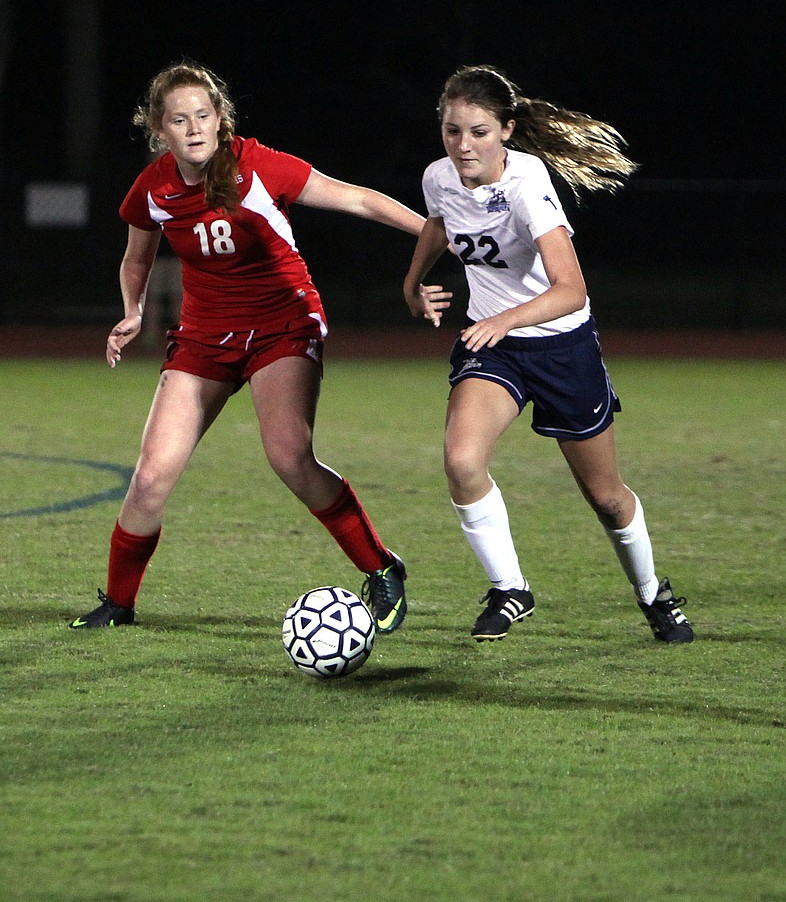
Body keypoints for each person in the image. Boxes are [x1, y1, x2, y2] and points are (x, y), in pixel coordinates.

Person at [70, 60, 425, 633]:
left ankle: (382, 569)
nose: (193, 128)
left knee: (289, 457)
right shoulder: (153, 186)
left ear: (220, 120)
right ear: (159, 129)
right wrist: (132, 313)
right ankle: (117, 605)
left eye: (203, 116)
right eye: (179, 119)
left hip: (282, 324)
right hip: (205, 336)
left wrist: (435, 232)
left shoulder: (258, 166)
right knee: (150, 478)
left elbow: (358, 200)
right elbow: (137, 257)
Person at [403, 65, 694, 644]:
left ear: (507, 130)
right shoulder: (439, 176)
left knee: (607, 498)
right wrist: (412, 284)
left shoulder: (527, 184)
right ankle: (511, 589)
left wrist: (503, 317)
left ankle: (652, 593)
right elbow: (438, 222)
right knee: (462, 461)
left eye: (479, 132)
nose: (464, 145)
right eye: (452, 130)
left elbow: (571, 290)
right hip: (497, 348)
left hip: (562, 347)